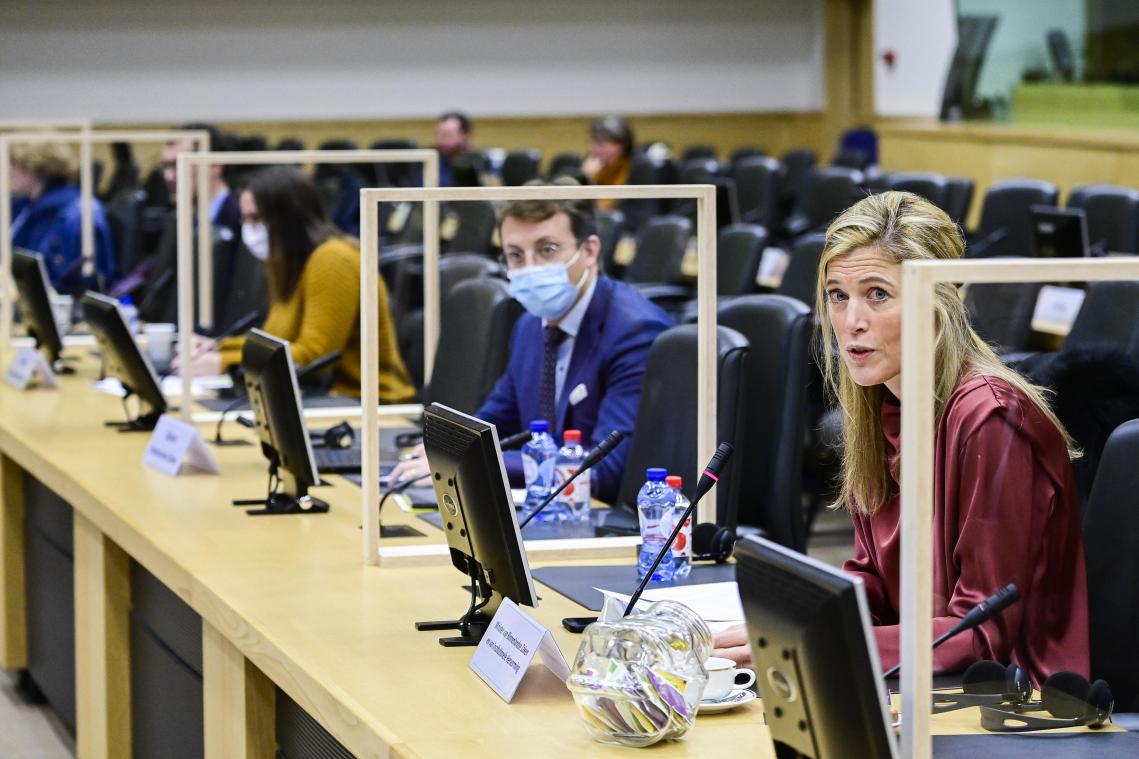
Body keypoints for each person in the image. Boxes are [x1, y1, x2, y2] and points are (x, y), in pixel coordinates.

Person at [714, 192, 1090, 685]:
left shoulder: (992, 420)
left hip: (1011, 704)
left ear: (944, 297)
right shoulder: (884, 404)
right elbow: (874, 581)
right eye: (837, 295)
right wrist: (796, 613)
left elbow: (983, 632)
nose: (851, 323)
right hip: (920, 680)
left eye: (878, 294)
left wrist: (816, 637)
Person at [390, 179, 672, 503]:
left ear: (590, 250)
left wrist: (474, 463)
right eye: (515, 255)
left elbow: (603, 469)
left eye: (547, 250)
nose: (529, 268)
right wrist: (446, 451)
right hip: (545, 507)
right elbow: (497, 418)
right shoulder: (528, 325)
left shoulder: (635, 332)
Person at [179, 165, 414, 403]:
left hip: (370, 405)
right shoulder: (289, 264)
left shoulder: (333, 260)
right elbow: (273, 342)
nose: (248, 228)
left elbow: (313, 358)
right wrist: (216, 348)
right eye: (245, 218)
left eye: (257, 218)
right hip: (327, 401)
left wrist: (224, 363)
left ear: (290, 217)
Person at [132, 123, 244, 324]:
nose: (168, 176)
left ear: (214, 166)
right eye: (165, 167)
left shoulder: (242, 223)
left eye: (177, 165)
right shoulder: (179, 221)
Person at [10, 142, 117, 294]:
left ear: (33, 167)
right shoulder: (23, 205)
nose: (9, 171)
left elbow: (66, 280)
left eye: (14, 164)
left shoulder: (73, 213)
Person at [582, 116, 633, 210]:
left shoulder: (631, 167)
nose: (593, 149)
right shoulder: (601, 166)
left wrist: (588, 178)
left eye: (601, 144)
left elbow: (605, 206)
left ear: (621, 146)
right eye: (593, 143)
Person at [434, 111, 477, 187]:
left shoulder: (479, 164)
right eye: (438, 134)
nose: (440, 141)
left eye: (447, 135)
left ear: (465, 135)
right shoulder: (432, 161)